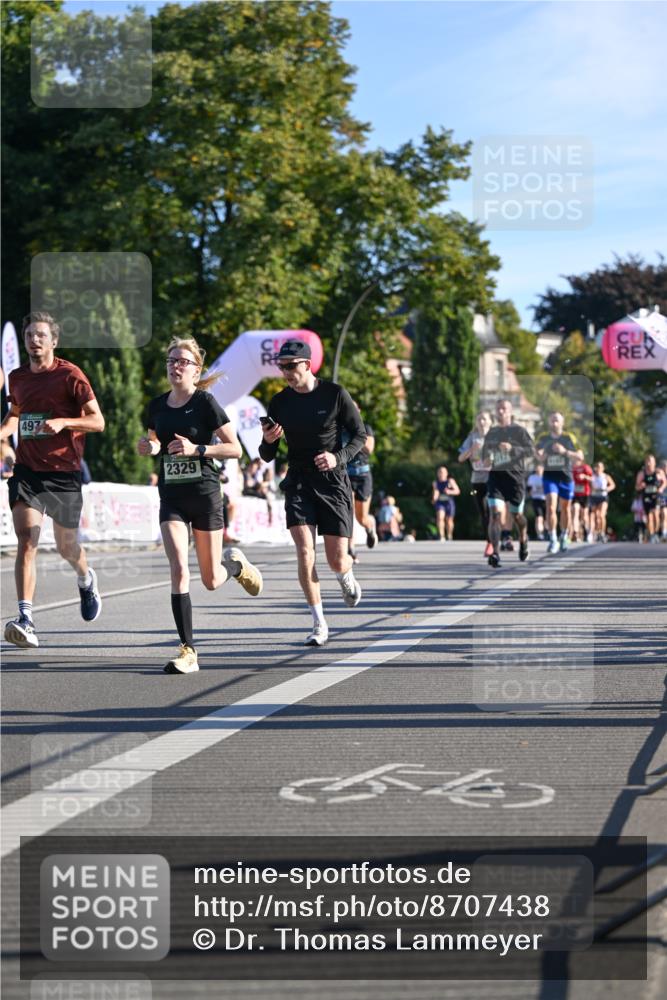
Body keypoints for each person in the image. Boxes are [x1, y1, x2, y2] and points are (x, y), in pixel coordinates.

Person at [137, 336, 262, 674]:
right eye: (171, 360)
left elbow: (235, 448)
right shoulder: (157, 405)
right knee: (179, 569)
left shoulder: (206, 403)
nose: (176, 366)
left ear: (196, 370)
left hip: (205, 494)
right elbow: (154, 442)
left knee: (210, 579)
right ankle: (188, 650)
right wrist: (148, 447)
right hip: (173, 496)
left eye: (183, 361)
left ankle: (234, 567)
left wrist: (198, 450)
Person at [1, 311, 105, 648]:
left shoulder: (70, 375)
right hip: (28, 471)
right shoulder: (17, 378)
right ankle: (26, 618)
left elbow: (98, 422)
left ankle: (86, 578)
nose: (33, 340)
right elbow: (16, 416)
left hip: (63, 473)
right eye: (29, 334)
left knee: (66, 547)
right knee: (27, 540)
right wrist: (3, 433)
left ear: (53, 341)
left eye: (40, 335)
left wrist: (65, 423)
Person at [258, 339, 365, 647]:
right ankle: (319, 623)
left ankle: (345, 576)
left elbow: (360, 434)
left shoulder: (335, 394)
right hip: (299, 482)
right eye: (282, 367)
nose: (286, 372)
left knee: (335, 560)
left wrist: (338, 457)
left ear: (307, 364)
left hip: (333, 482)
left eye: (291, 366)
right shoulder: (280, 402)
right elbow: (267, 454)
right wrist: (268, 440)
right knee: (305, 552)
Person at [482, 398, 534, 568]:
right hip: (496, 478)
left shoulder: (519, 431)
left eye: (504, 409)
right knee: (495, 514)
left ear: (511, 412)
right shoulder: (492, 433)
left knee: (517, 516)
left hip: (515, 479)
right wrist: (487, 459)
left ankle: (523, 538)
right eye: (498, 409)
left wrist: (513, 449)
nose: (501, 412)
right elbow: (485, 457)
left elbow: (530, 451)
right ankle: (495, 553)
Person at [536, 411, 583, 555]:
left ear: (562, 423)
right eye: (552, 419)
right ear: (549, 422)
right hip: (550, 476)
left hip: (566, 477)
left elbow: (580, 456)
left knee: (566, 508)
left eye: (557, 420)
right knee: (550, 506)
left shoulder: (569, 437)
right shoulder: (543, 438)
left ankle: (563, 535)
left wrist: (565, 452)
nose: (554, 422)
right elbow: (537, 455)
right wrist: (541, 455)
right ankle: (552, 538)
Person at [345, 404, 378, 562]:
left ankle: (370, 528)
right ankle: (351, 549)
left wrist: (355, 433)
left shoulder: (366, 428)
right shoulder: (340, 428)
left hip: (363, 475)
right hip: (347, 476)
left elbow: (369, 449)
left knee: (361, 518)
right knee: (348, 513)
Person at [458, 411, 493, 557]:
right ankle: (490, 542)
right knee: (484, 513)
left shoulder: (495, 436)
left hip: (493, 478)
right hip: (477, 479)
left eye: (484, 419)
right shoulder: (472, 437)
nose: (482, 422)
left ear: (490, 422)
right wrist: (471, 450)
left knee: (494, 511)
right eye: (479, 419)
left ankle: (500, 537)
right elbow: (460, 458)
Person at [635, 454, 666, 543]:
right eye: (647, 461)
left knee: (656, 514)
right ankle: (652, 534)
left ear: (654, 462)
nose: (649, 463)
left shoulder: (659, 472)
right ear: (645, 463)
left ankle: (657, 532)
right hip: (646, 496)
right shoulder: (642, 473)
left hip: (657, 496)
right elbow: (636, 487)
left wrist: (661, 488)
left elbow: (665, 482)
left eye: (650, 461)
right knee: (649, 516)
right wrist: (641, 486)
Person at [431, 465, 461, 542]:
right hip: (440, 502)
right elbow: (436, 491)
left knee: (449, 520)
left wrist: (450, 491)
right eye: (439, 472)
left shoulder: (450, 481)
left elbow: (457, 491)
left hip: (449, 502)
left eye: (443, 472)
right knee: (440, 517)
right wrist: (434, 497)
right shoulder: (435, 483)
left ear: (446, 473)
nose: (441, 474)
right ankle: (441, 536)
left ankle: (449, 535)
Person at [590, 461, 615, 542]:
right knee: (595, 516)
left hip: (603, 496)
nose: (598, 468)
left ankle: (602, 532)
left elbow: (613, 485)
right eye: (597, 466)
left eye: (600, 467)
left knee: (601, 515)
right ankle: (596, 532)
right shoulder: (592, 476)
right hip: (594, 497)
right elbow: (589, 485)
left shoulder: (606, 476)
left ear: (603, 468)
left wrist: (607, 489)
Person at [572, 457, 593, 543]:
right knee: (575, 511)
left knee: (584, 515)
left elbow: (592, 479)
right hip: (576, 494)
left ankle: (587, 532)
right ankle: (576, 533)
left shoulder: (586, 467)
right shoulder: (572, 469)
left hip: (585, 494)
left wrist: (584, 477)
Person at [526, 463, 546, 540]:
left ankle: (547, 532)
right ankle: (540, 534)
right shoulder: (532, 477)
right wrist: (532, 493)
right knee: (539, 517)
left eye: (540, 467)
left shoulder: (545, 477)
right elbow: (529, 488)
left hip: (545, 499)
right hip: (536, 499)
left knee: (546, 518)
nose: (539, 469)